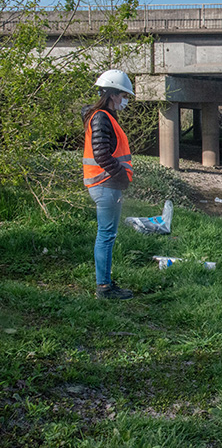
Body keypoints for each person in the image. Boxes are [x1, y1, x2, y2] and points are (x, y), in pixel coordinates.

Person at [82, 69, 135, 300]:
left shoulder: (102, 117)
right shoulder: (102, 117)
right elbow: (102, 154)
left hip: (106, 185)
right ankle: (104, 287)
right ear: (113, 94)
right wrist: (121, 176)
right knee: (106, 235)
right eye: (123, 95)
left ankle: (105, 283)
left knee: (107, 234)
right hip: (106, 185)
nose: (125, 100)